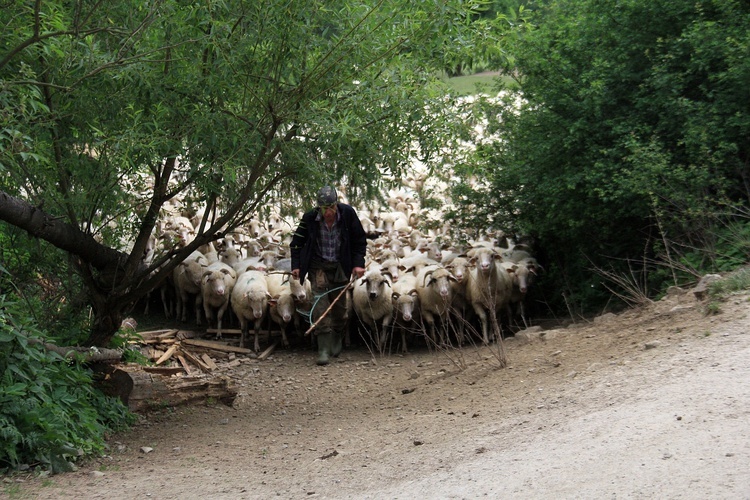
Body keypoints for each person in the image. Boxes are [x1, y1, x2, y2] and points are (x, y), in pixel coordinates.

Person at [290, 186, 367, 365]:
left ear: (336, 204)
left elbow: (359, 241)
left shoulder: (348, 215)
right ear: (319, 207)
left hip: (341, 266)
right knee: (320, 306)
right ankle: (323, 349)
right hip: (319, 267)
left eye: (331, 207)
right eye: (324, 208)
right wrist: (297, 266)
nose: (328, 212)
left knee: (340, 309)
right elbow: (296, 243)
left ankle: (336, 338)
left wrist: (358, 264)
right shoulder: (310, 218)